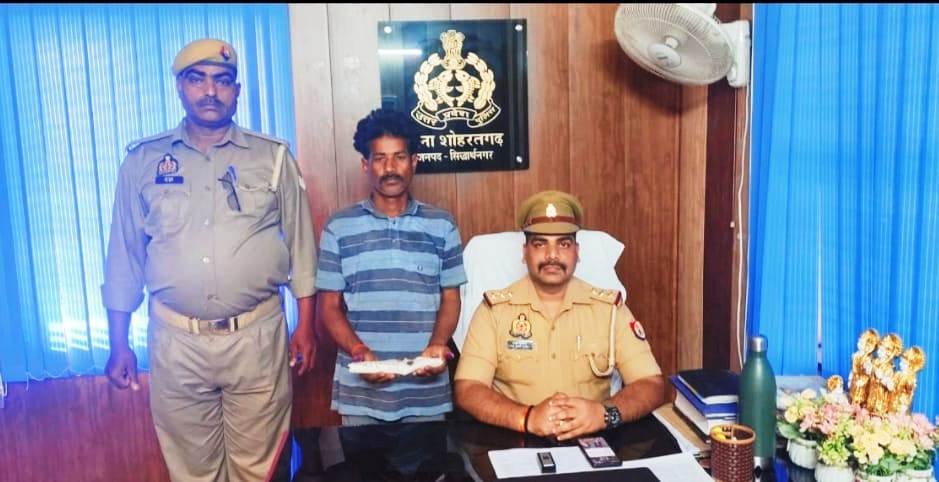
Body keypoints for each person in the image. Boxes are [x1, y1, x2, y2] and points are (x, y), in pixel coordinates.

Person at [101, 38, 316, 482]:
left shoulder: (273, 157)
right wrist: (118, 342)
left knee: (258, 471)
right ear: (180, 87)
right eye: (197, 80)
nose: (210, 91)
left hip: (256, 337)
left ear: (237, 90)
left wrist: (306, 326)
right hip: (176, 342)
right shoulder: (143, 161)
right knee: (192, 472)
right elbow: (124, 255)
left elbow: (302, 248)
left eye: (222, 80)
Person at [313, 108, 466, 476]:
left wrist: (437, 344)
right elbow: (329, 307)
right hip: (361, 392)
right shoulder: (339, 227)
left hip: (425, 391)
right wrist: (358, 351)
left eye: (399, 157)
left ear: (414, 162)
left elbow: (451, 298)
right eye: (380, 158)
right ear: (365, 165)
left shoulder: (442, 225)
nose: (390, 168)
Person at [454, 190, 666, 441]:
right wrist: (527, 418)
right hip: (515, 440)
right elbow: (468, 388)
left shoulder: (609, 309)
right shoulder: (494, 311)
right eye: (540, 244)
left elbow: (651, 384)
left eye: (563, 244)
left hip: (593, 439)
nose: (552, 255)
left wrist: (604, 413)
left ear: (577, 251)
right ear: (524, 252)